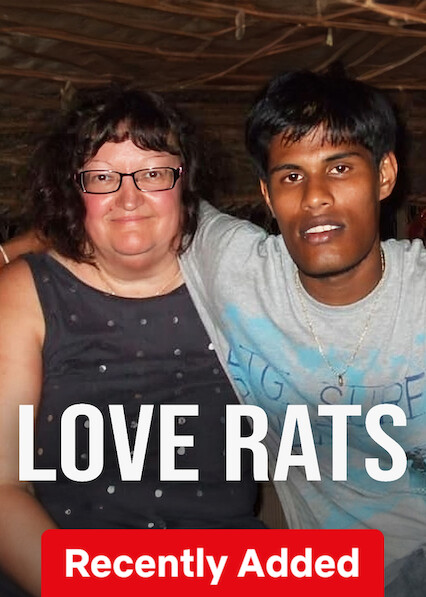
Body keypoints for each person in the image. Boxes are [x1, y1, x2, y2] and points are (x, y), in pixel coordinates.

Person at [0, 85, 264, 597]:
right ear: (74, 188)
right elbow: (3, 485)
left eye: (153, 173)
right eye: (103, 177)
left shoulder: (238, 281)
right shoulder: (24, 292)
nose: (129, 197)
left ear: (185, 181)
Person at [179, 69, 426, 595]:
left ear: (384, 175)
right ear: (267, 196)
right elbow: (131, 208)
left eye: (339, 167)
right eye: (291, 176)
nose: (315, 197)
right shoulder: (237, 272)